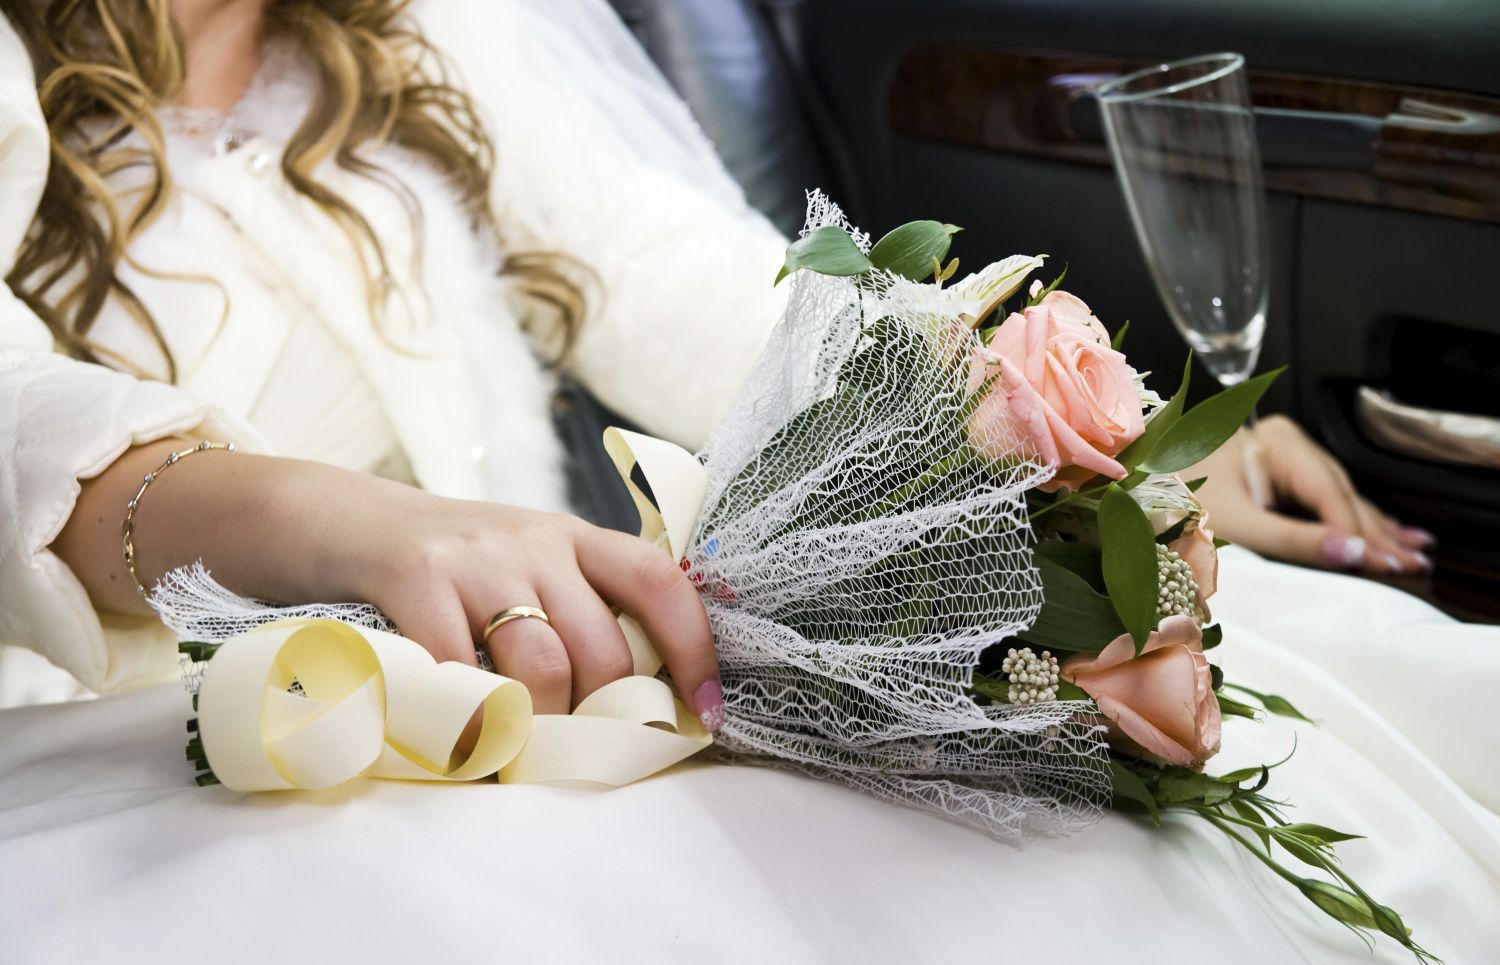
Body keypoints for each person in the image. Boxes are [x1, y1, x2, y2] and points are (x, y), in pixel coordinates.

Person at [0, 0, 1433, 713]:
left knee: (1339, 683)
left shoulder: (423, 30)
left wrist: (1055, 422)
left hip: (543, 715)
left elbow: (682, 284)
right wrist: (318, 518)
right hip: (163, 759)